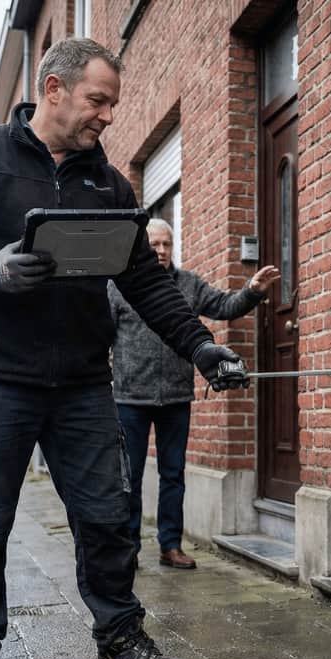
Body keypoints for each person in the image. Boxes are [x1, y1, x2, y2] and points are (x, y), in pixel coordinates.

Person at [0, 38, 247, 659]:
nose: (108, 116)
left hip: (84, 384)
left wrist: (201, 347)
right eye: (98, 100)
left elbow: (144, 281)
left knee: (111, 518)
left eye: (112, 104)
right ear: (53, 89)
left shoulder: (109, 184)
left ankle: (120, 642)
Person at [109, 220, 278, 569]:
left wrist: (252, 290)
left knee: (174, 474)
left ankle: (170, 545)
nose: (160, 250)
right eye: (154, 243)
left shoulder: (187, 284)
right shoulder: (119, 286)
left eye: (167, 244)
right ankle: (128, 549)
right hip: (129, 397)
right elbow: (101, 333)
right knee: (131, 477)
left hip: (176, 397)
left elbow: (224, 306)